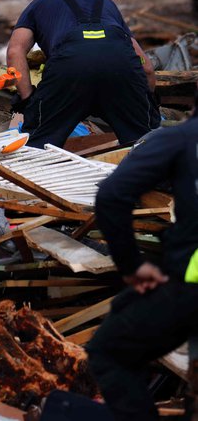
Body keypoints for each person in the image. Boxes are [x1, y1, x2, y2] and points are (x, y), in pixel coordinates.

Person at [87, 105, 198, 421]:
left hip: (189, 285)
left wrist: (132, 266)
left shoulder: (182, 138)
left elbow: (112, 194)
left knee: (110, 354)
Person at [7, 0, 159, 148]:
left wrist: (28, 100)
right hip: (119, 60)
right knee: (145, 143)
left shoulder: (42, 2)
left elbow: (15, 51)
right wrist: (145, 103)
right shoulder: (105, 2)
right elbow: (147, 68)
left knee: (39, 141)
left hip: (71, 62)